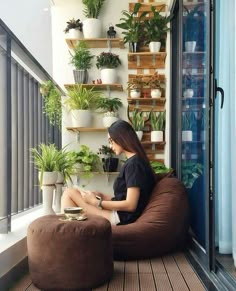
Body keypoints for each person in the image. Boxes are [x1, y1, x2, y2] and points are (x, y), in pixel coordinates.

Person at [61, 119, 156, 225]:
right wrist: (102, 196)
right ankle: (71, 234)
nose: (110, 146)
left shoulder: (134, 165)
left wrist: (97, 202)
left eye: (111, 141)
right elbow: (124, 197)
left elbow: (131, 205)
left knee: (69, 193)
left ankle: (66, 234)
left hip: (121, 218)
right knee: (73, 193)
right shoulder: (135, 161)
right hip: (120, 214)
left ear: (121, 138)